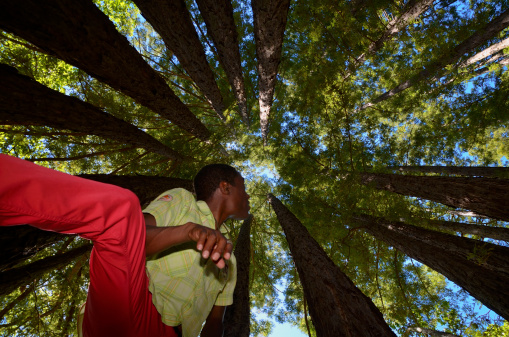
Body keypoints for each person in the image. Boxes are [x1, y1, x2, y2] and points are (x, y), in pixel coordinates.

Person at [0, 155, 250, 337]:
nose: (248, 195)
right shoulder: (183, 201)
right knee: (124, 208)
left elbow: (216, 322)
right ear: (225, 187)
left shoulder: (232, 262)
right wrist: (185, 231)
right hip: (133, 306)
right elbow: (131, 235)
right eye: (244, 186)